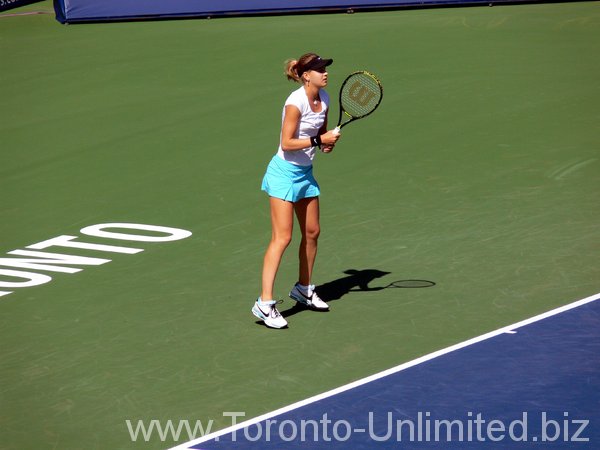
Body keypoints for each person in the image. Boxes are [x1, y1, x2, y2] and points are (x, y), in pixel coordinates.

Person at [252, 53, 341, 329]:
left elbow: (321, 135)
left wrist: (326, 144)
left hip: (304, 174)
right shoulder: (295, 102)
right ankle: (264, 303)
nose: (324, 73)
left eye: (325, 68)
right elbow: (288, 142)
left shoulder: (324, 98)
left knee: (312, 232)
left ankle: (304, 288)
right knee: (283, 237)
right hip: (283, 174)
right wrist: (318, 139)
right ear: (306, 76)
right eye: (319, 69)